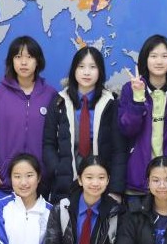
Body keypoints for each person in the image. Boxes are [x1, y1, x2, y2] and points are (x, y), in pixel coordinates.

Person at [0, 36, 57, 204]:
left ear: (38, 61)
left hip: (40, 183)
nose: (24, 62)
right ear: (11, 61)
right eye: (18, 57)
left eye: (29, 57)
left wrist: (50, 170)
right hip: (2, 182)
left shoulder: (50, 95)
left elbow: (57, 139)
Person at [43, 46, 127, 202]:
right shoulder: (59, 102)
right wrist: (58, 170)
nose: (86, 72)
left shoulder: (111, 103)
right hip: (66, 183)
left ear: (100, 71)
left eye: (92, 67)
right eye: (81, 67)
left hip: (101, 185)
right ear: (74, 70)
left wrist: (115, 190)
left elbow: (119, 150)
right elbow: (48, 143)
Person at [118, 34, 167, 196]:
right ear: (145, 59)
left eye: (164, 56)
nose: (159, 61)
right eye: (153, 56)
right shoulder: (130, 88)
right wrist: (138, 98)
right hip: (140, 176)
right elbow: (128, 129)